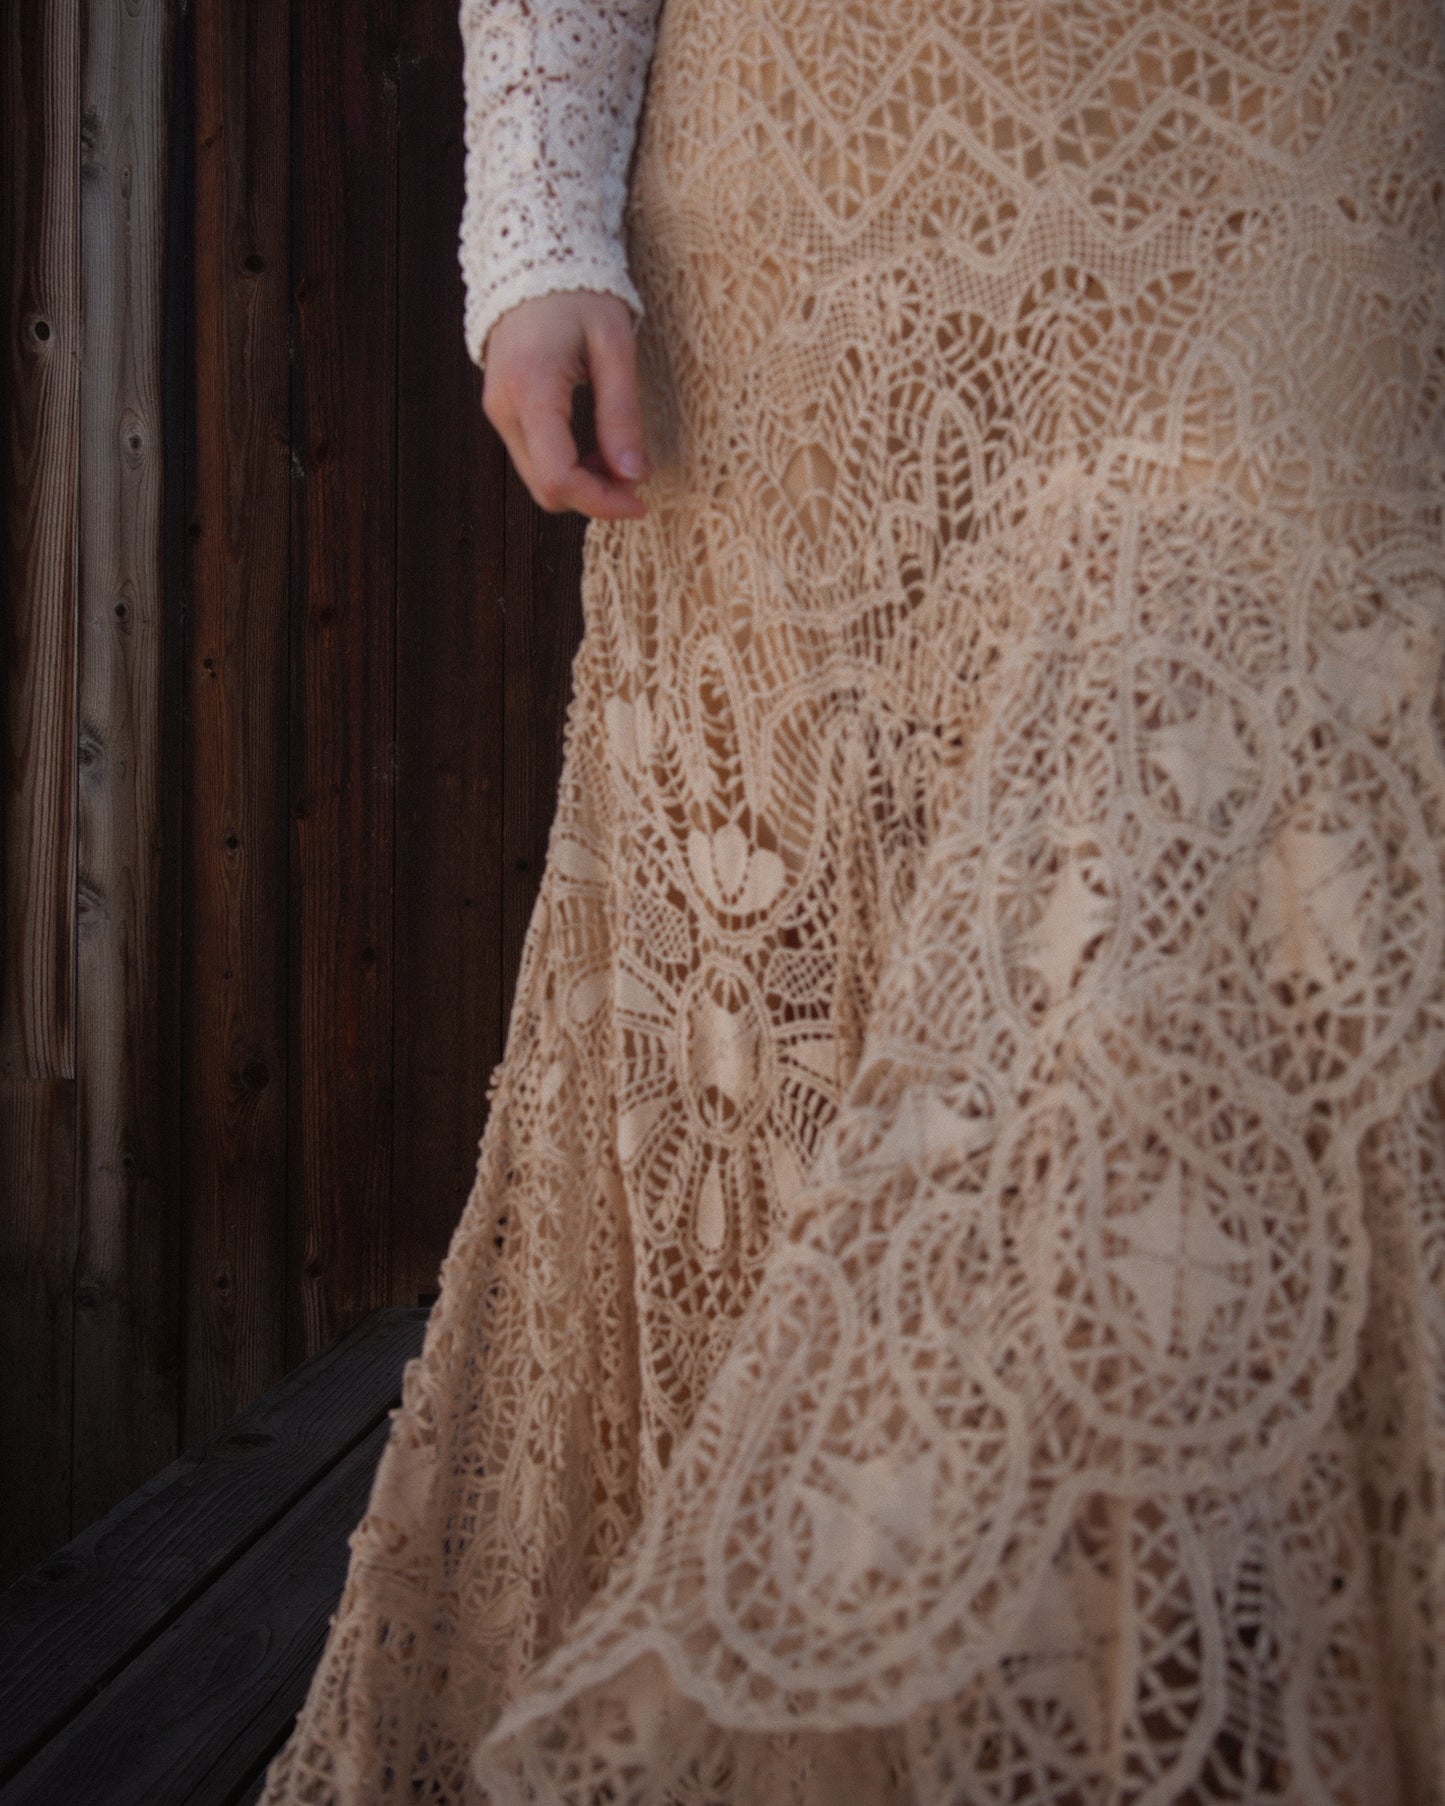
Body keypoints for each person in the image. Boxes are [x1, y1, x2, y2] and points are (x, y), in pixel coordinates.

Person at [258, 1, 1445, 1800]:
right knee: (823, 989)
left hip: (1306, 130)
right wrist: (535, 216)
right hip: (827, 174)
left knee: (1283, 870)